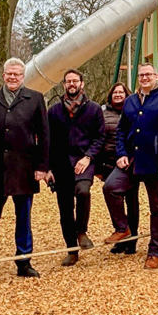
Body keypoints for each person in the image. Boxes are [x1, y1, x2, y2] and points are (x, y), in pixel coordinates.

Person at [0, 58, 50, 282]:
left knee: (23, 217)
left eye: (17, 74)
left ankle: (24, 261)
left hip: (24, 168)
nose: (13, 77)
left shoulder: (35, 99)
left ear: (23, 76)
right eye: (9, 74)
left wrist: (42, 167)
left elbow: (44, 135)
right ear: (3, 75)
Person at [102, 62, 158, 270]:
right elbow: (121, 131)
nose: (145, 78)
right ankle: (122, 227)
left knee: (157, 209)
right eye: (141, 75)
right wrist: (121, 154)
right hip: (132, 161)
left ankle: (154, 253)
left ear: (156, 76)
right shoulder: (130, 101)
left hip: (157, 163)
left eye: (149, 74)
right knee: (110, 188)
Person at [48, 69, 105, 266]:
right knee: (65, 208)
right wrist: (48, 168)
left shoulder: (94, 109)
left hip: (84, 161)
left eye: (75, 81)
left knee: (82, 191)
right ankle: (72, 250)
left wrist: (88, 157)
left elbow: (100, 137)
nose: (71, 84)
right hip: (61, 164)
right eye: (68, 81)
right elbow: (48, 141)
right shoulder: (54, 111)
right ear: (64, 85)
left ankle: (81, 231)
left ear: (82, 84)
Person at [97, 82, 139, 255]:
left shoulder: (133, 112)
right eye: (115, 92)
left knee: (131, 199)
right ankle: (121, 235)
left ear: (127, 94)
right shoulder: (103, 113)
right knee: (115, 199)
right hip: (109, 162)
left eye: (122, 92)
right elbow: (98, 137)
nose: (118, 94)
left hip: (128, 162)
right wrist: (98, 166)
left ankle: (131, 239)